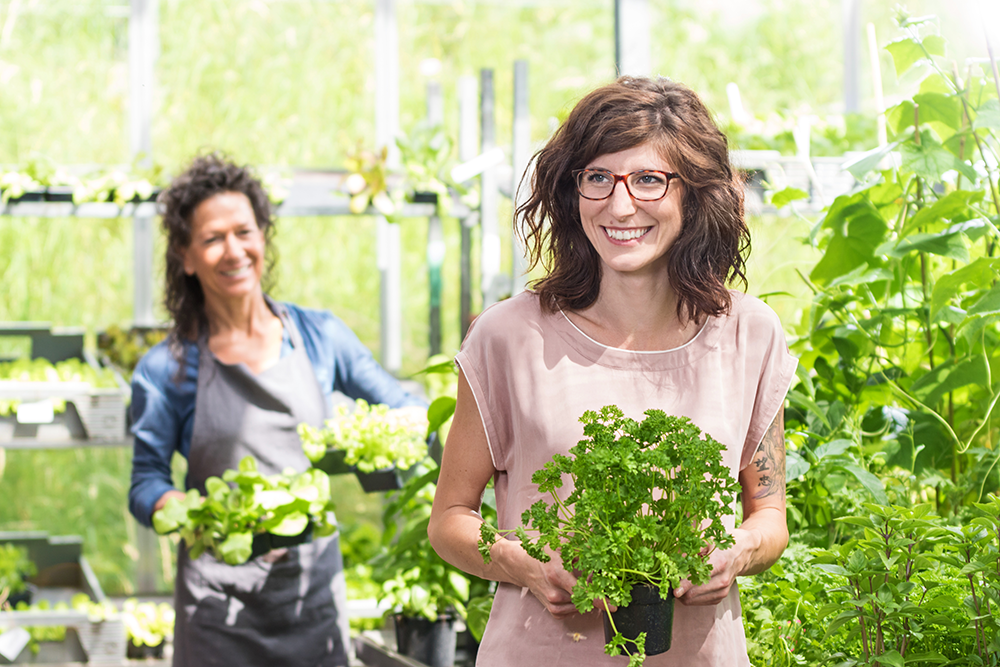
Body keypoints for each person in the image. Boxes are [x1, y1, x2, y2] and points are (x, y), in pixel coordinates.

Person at [427, 76, 797, 666]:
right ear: (572, 191)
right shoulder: (508, 336)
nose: (620, 205)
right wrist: (522, 563)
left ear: (693, 194)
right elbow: (449, 517)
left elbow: (768, 513)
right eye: (598, 177)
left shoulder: (749, 335)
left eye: (649, 179)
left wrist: (739, 551)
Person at [127, 153, 424, 667]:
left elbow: (402, 404)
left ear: (263, 236)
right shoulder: (165, 370)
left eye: (244, 231)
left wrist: (404, 434)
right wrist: (189, 511)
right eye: (212, 238)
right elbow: (145, 481)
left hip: (310, 603)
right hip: (215, 609)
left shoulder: (319, 337)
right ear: (186, 256)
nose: (233, 250)